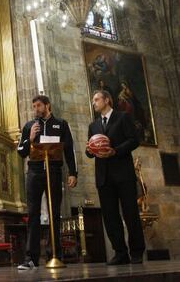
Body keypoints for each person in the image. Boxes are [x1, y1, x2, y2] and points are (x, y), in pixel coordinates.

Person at [17, 95, 78, 270]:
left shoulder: (61, 124)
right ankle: (31, 258)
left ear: (47, 106)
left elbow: (69, 150)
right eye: (33, 106)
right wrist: (30, 137)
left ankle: (55, 255)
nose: (35, 109)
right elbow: (21, 151)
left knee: (55, 213)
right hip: (35, 172)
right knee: (33, 213)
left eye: (38, 105)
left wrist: (73, 173)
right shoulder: (29, 126)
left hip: (54, 171)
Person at [86, 90, 145, 265]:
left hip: (123, 173)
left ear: (107, 100)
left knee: (131, 214)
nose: (94, 103)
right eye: (93, 100)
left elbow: (134, 140)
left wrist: (116, 151)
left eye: (96, 99)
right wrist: (89, 150)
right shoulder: (93, 125)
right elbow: (90, 150)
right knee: (110, 217)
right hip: (103, 177)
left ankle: (136, 252)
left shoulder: (123, 117)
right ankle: (120, 253)